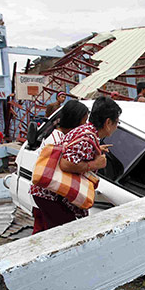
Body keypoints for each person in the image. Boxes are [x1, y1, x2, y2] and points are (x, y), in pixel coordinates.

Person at [29, 97, 120, 233]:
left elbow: (73, 152)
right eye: (116, 122)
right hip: (52, 195)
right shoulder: (88, 138)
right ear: (108, 122)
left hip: (48, 193)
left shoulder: (86, 132)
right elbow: (66, 163)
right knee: (64, 235)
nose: (117, 126)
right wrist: (95, 164)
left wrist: (97, 149)